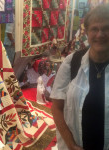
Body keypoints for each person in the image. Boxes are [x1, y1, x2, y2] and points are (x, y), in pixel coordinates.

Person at [50, 3, 109, 150]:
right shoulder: (72, 62)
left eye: (106, 28)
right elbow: (56, 107)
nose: (100, 34)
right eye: (94, 29)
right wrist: (70, 144)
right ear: (87, 33)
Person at [4, 1, 15, 66]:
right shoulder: (12, 17)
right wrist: (13, 42)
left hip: (12, 44)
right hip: (10, 44)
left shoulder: (16, 17)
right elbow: (8, 32)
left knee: (12, 61)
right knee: (9, 63)